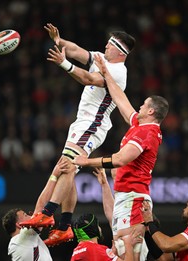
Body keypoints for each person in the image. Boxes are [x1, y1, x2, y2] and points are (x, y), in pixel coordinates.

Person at [20, 23, 136, 247]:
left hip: (93, 125)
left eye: (109, 45)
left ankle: (48, 214)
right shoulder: (104, 59)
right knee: (68, 168)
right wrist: (59, 40)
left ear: (119, 51)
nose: (105, 47)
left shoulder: (119, 72)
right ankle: (63, 228)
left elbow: (89, 79)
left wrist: (63, 63)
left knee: (68, 167)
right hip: (82, 123)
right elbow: (77, 50)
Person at [73, 54, 169, 260]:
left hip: (135, 198)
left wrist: (86, 161)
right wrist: (107, 75)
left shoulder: (147, 134)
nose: (139, 107)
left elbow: (119, 160)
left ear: (151, 111)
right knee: (119, 249)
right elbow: (121, 100)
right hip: (126, 195)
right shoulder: (140, 125)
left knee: (128, 251)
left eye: (144, 105)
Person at [140, 195, 188, 261]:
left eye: (187, 206)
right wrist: (147, 229)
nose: (184, 209)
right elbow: (164, 258)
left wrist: (150, 222)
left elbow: (166, 245)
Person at [71, 213, 141, 261]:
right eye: (98, 226)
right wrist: (128, 244)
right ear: (94, 229)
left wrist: (112, 255)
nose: (100, 228)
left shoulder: (76, 251)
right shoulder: (96, 249)